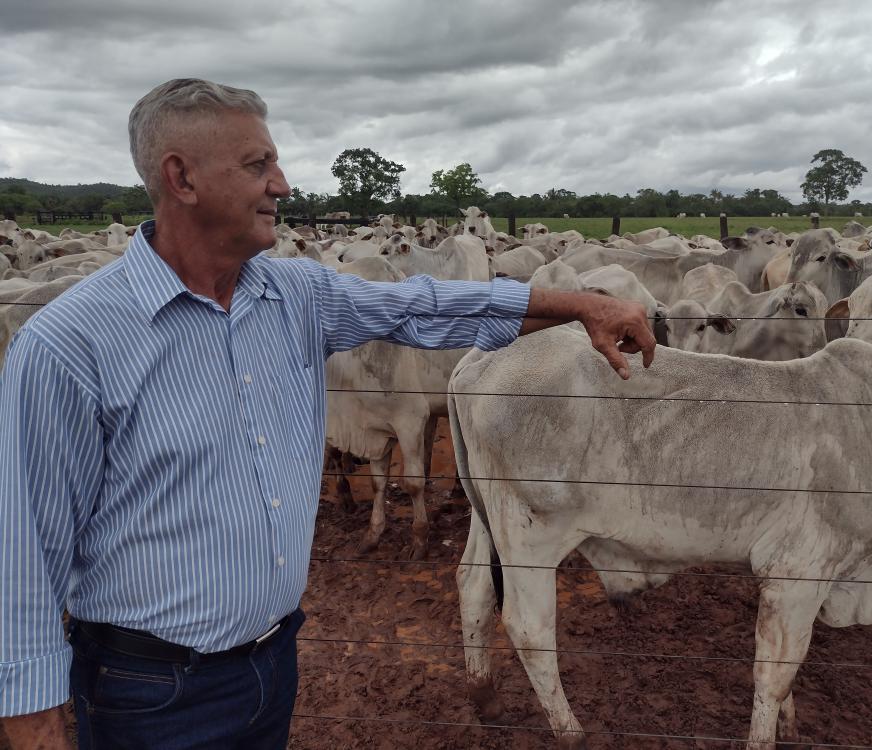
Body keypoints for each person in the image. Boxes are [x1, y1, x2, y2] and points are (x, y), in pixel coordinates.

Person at [0, 78, 655, 749]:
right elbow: (21, 566)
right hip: (149, 693)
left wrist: (578, 305)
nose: (282, 184)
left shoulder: (296, 294)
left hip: (275, 663)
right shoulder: (69, 346)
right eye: (257, 165)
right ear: (182, 178)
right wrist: (36, 732)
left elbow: (422, 305)